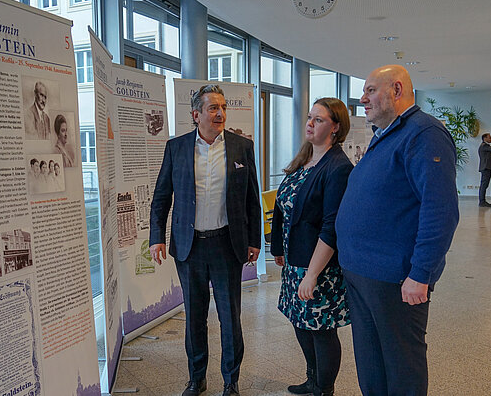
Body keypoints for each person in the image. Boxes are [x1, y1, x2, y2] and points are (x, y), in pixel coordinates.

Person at [335, 65, 459, 395]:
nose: (363, 98)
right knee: (372, 365)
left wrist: (421, 273)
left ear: (397, 90)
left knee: (401, 366)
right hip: (361, 275)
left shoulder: (424, 133)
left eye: (371, 90)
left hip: (395, 279)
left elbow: (441, 210)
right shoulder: (385, 134)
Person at [149, 85, 261, 396]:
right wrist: (156, 236)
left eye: (223, 107)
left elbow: (252, 197)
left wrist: (255, 240)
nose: (220, 113)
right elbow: (161, 197)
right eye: (213, 108)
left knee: (230, 317)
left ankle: (231, 381)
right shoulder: (177, 148)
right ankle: (196, 379)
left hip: (228, 244)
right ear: (196, 114)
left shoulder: (242, 147)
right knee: (195, 318)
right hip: (190, 247)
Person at [270, 98, 353, 396]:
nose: (310, 123)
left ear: (335, 127)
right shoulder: (305, 159)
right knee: (299, 321)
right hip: (295, 261)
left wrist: (312, 274)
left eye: (318, 120)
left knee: (320, 329)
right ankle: (312, 379)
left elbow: (332, 226)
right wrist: (278, 246)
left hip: (319, 267)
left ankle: (324, 388)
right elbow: (283, 208)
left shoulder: (338, 167)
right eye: (309, 117)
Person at [478, 132, 491, 207]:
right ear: (485, 138)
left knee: (485, 185)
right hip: (485, 168)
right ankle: (482, 201)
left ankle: (482, 201)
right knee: (484, 185)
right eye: (489, 137)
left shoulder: (485, 146)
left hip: (487, 168)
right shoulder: (484, 146)